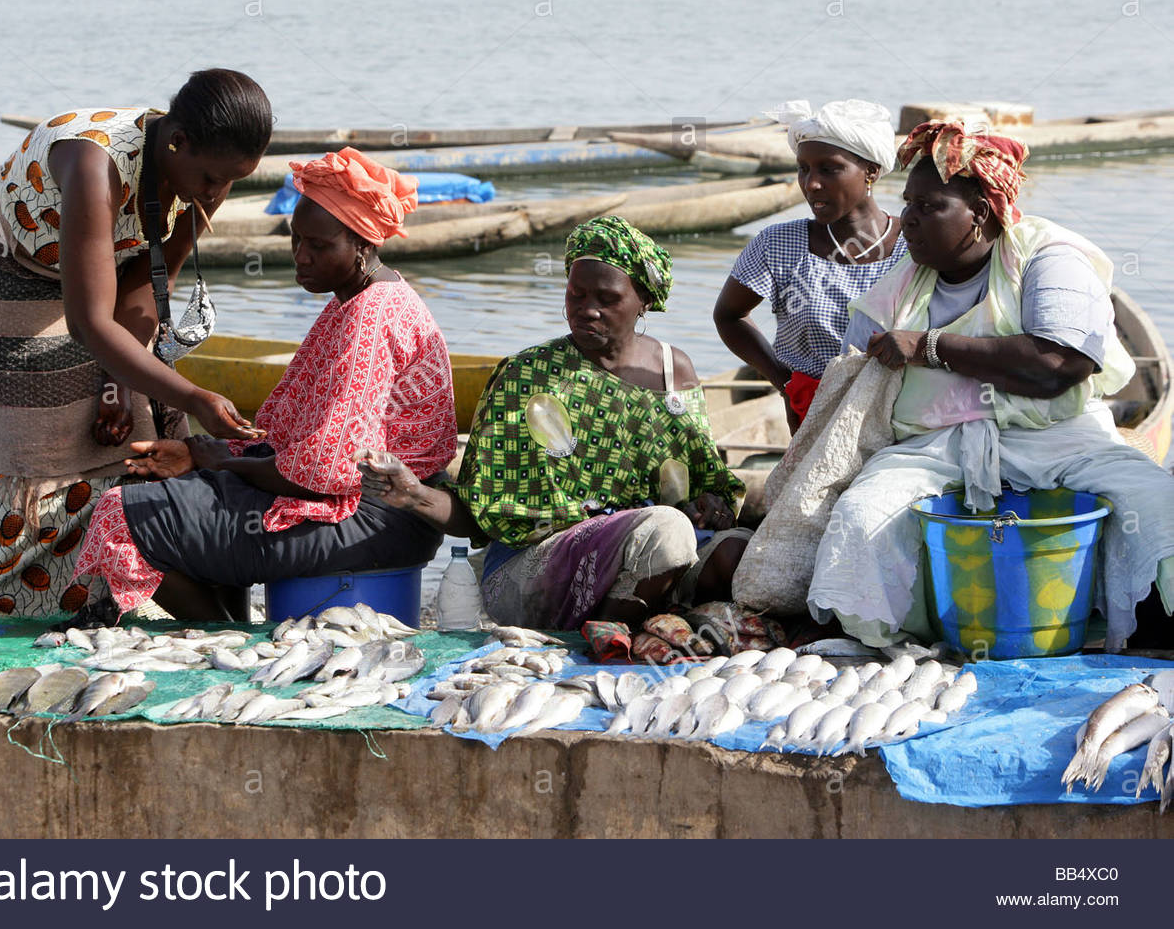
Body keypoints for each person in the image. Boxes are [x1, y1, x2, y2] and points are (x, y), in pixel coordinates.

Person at [808, 119, 1174, 650]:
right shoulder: (899, 287)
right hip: (934, 448)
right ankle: (912, 642)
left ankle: (1146, 636)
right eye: (907, 205)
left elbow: (1057, 364)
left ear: (979, 213)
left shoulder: (1048, 257)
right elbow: (853, 383)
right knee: (860, 518)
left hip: (1060, 437)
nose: (907, 222)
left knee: (1155, 502)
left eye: (930, 207)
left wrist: (929, 346)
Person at [69, 148, 457, 621]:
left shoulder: (370, 317)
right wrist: (201, 454)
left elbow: (327, 470)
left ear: (362, 245)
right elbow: (300, 441)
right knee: (187, 489)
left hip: (375, 516)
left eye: (317, 245)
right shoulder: (361, 298)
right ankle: (231, 629)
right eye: (296, 239)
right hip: (375, 509)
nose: (300, 256)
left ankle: (221, 636)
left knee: (124, 516)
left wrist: (226, 463)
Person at [0, 69, 272, 617]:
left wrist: (120, 383)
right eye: (213, 179)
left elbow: (149, 276)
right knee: (43, 445)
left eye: (232, 181)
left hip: (110, 272)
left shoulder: (209, 164)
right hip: (12, 268)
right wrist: (195, 396)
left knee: (135, 440)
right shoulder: (92, 166)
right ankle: (22, 599)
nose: (217, 194)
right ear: (177, 143)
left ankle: (121, 585)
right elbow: (90, 326)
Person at [358, 216, 747, 631]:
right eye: (575, 294)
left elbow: (709, 485)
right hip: (535, 570)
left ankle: (644, 623)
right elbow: (477, 513)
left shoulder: (674, 372)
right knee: (667, 532)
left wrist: (712, 507)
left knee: (741, 552)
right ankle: (605, 643)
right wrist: (415, 494)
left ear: (645, 301)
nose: (587, 310)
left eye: (607, 298)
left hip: (651, 557)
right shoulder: (527, 376)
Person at [714, 99, 906, 433]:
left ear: (871, 171)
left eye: (829, 169)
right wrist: (784, 382)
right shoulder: (777, 244)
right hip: (812, 418)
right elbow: (729, 316)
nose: (811, 183)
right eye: (804, 168)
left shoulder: (914, 244)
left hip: (901, 417)